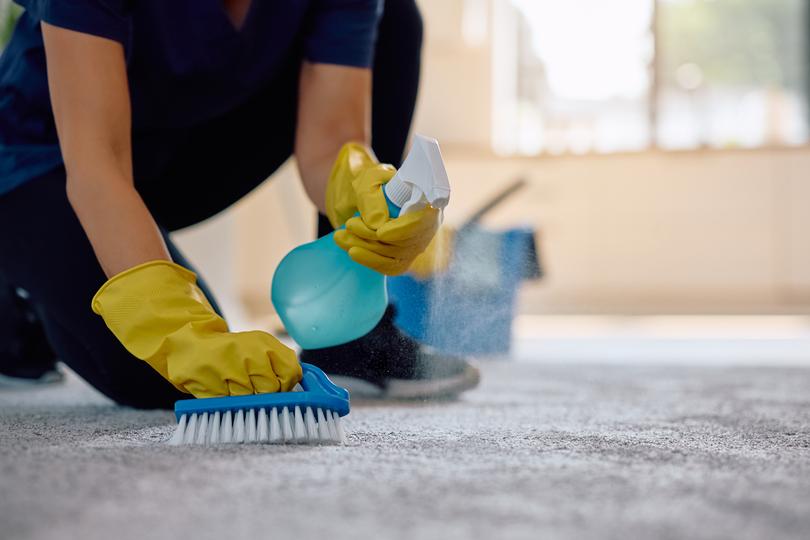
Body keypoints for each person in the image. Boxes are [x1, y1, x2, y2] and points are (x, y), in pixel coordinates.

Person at [0, 0, 479, 407]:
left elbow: (330, 140)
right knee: (159, 376)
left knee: (394, 18)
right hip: (47, 161)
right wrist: (175, 326)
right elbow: (96, 162)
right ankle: (21, 300)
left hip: (177, 147)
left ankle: (347, 337)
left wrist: (363, 191)